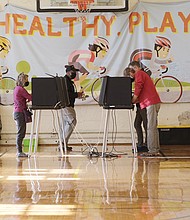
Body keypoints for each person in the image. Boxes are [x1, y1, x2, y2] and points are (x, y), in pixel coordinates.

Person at [128, 61, 161, 157]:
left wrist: (133, 99)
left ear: (136, 67)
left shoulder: (140, 73)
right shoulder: (143, 74)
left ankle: (153, 150)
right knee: (152, 127)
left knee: (150, 127)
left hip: (150, 102)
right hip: (152, 102)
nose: (131, 72)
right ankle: (155, 148)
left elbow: (139, 86)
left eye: (131, 70)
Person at [123, 67, 148, 152]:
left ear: (131, 72)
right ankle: (140, 143)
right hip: (139, 105)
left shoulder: (139, 76)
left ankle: (147, 144)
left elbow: (139, 90)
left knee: (146, 125)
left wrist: (132, 100)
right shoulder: (136, 78)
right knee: (137, 124)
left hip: (144, 104)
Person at [60, 65, 84, 151]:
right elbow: (67, 94)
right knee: (72, 121)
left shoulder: (68, 81)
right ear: (68, 72)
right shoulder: (65, 81)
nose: (75, 74)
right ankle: (62, 142)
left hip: (68, 105)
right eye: (73, 72)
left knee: (66, 124)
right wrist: (77, 94)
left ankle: (64, 144)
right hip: (66, 105)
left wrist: (77, 95)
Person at [13, 73, 32, 157]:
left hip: (17, 112)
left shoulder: (17, 88)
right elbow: (30, 97)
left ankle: (20, 151)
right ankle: (19, 152)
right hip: (19, 113)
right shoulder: (21, 89)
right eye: (26, 80)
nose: (27, 81)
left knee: (21, 132)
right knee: (21, 132)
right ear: (22, 80)